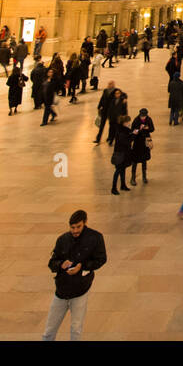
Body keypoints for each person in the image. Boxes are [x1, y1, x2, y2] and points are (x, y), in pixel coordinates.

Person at [41, 210, 106, 341]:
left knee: (76, 329)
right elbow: (51, 263)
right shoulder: (63, 239)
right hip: (61, 291)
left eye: (78, 227)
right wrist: (61, 265)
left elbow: (101, 259)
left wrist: (82, 266)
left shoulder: (95, 238)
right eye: (72, 227)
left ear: (85, 223)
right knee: (49, 331)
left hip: (80, 291)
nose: (75, 230)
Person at [109, 112, 134, 195]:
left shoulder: (124, 130)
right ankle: (113, 188)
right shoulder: (121, 132)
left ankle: (123, 185)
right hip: (120, 154)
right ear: (124, 123)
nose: (129, 123)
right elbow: (126, 141)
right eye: (128, 122)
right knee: (118, 171)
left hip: (124, 153)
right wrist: (133, 135)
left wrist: (132, 133)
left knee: (123, 170)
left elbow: (128, 135)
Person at [130, 108, 154, 185]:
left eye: (144, 116)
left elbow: (152, 129)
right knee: (135, 161)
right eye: (142, 116)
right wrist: (138, 130)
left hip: (145, 143)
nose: (143, 118)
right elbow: (132, 130)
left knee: (144, 160)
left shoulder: (149, 119)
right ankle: (133, 178)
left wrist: (147, 128)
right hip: (137, 143)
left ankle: (144, 176)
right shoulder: (136, 120)